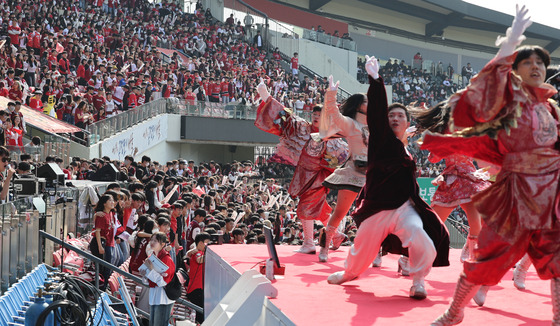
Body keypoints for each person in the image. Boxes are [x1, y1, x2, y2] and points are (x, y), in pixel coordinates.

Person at [426, 6, 560, 324]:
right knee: (487, 253)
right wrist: (512, 39)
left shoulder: (552, 108)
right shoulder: (509, 99)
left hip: (550, 193)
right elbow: (492, 74)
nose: (536, 67)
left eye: (540, 63)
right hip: (515, 192)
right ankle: (454, 312)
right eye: (528, 63)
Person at [327, 54, 449, 300]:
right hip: (378, 207)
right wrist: (376, 81)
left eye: (399, 116)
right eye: (390, 116)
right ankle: (350, 273)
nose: (394, 118)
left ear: (407, 123)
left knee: (421, 237)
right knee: (362, 249)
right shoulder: (380, 139)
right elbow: (377, 115)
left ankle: (418, 282)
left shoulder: (405, 148)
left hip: (405, 207)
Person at [255, 79, 348, 255]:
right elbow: (285, 116)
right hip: (304, 173)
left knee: (306, 207)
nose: (315, 116)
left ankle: (308, 242)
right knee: (318, 209)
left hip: (318, 177)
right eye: (314, 113)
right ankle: (335, 236)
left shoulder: (333, 138)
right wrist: (265, 95)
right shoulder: (302, 128)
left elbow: (339, 159)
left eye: (320, 115)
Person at [410, 103, 491, 263]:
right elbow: (433, 158)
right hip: (452, 180)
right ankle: (410, 255)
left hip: (468, 180)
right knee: (433, 222)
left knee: (476, 222)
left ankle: (473, 257)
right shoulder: (444, 136)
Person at [316, 75, 368, 262]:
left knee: (375, 214)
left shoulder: (377, 126)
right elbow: (334, 114)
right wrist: (331, 94)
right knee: (340, 211)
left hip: (374, 175)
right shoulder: (350, 123)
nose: (370, 104)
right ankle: (325, 247)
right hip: (354, 172)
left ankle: (375, 252)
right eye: (366, 102)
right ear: (358, 106)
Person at [140, 232, 176, 326]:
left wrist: (151, 270)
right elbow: (147, 282)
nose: (152, 242)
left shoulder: (167, 259)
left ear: (163, 244)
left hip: (163, 299)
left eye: (155, 241)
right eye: (151, 240)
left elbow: (163, 282)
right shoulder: (152, 257)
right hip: (154, 296)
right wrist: (145, 275)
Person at [90, 194, 116, 291]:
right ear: (104, 203)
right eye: (110, 201)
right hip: (99, 242)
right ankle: (100, 289)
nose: (113, 203)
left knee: (106, 268)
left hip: (105, 242)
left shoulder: (110, 213)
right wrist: (100, 246)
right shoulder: (101, 215)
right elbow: (97, 231)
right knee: (101, 268)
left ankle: (103, 287)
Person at [186, 232, 211, 324]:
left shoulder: (199, 252)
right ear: (200, 243)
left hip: (199, 288)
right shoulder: (197, 252)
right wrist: (210, 254)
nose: (208, 245)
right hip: (196, 289)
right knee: (200, 315)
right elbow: (199, 260)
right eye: (207, 243)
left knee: (201, 314)